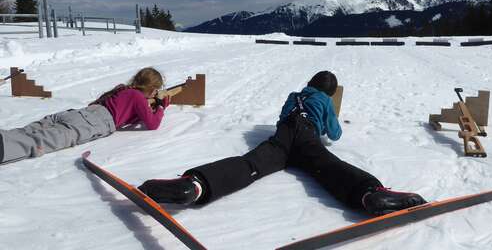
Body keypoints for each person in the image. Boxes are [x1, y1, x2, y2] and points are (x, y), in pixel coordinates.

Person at [138, 71, 426, 216]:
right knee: (326, 165)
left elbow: (282, 117)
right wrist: (329, 121)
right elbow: (335, 134)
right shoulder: (325, 100)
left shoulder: (294, 95)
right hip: (306, 136)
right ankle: (369, 194)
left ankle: (194, 185)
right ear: (329, 90)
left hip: (282, 137)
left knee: (250, 164)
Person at [0, 67, 170, 165]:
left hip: (81, 113)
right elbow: (152, 124)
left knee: (30, 130)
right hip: (96, 122)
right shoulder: (138, 96)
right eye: (155, 90)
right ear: (150, 88)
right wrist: (161, 106)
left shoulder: (122, 89)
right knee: (44, 141)